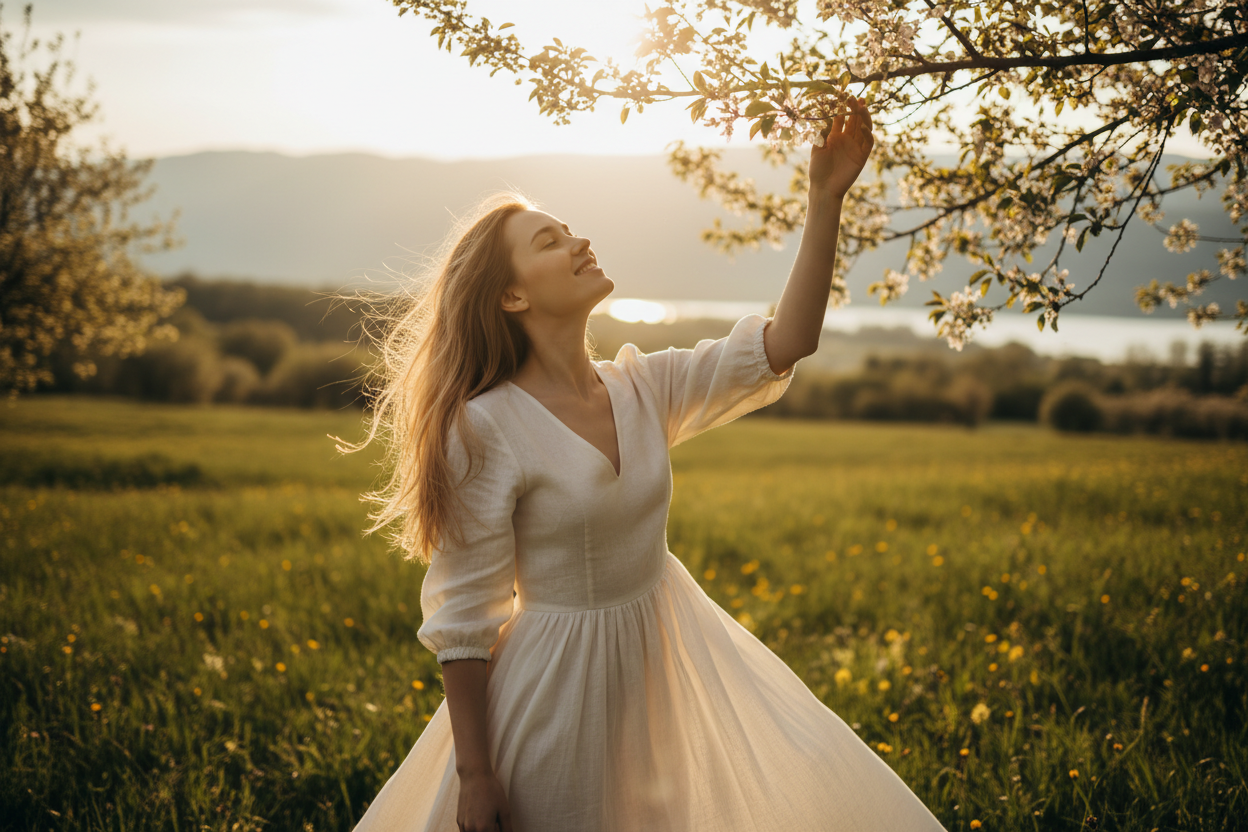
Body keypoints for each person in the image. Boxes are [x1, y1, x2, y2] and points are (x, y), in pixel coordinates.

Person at [346, 97, 946, 831]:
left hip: (664, 669)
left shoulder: (643, 385)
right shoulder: (484, 426)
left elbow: (787, 340)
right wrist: (475, 774)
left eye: (570, 229)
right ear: (512, 293)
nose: (578, 240)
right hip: (554, 698)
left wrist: (825, 199)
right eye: (548, 240)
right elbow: (466, 621)